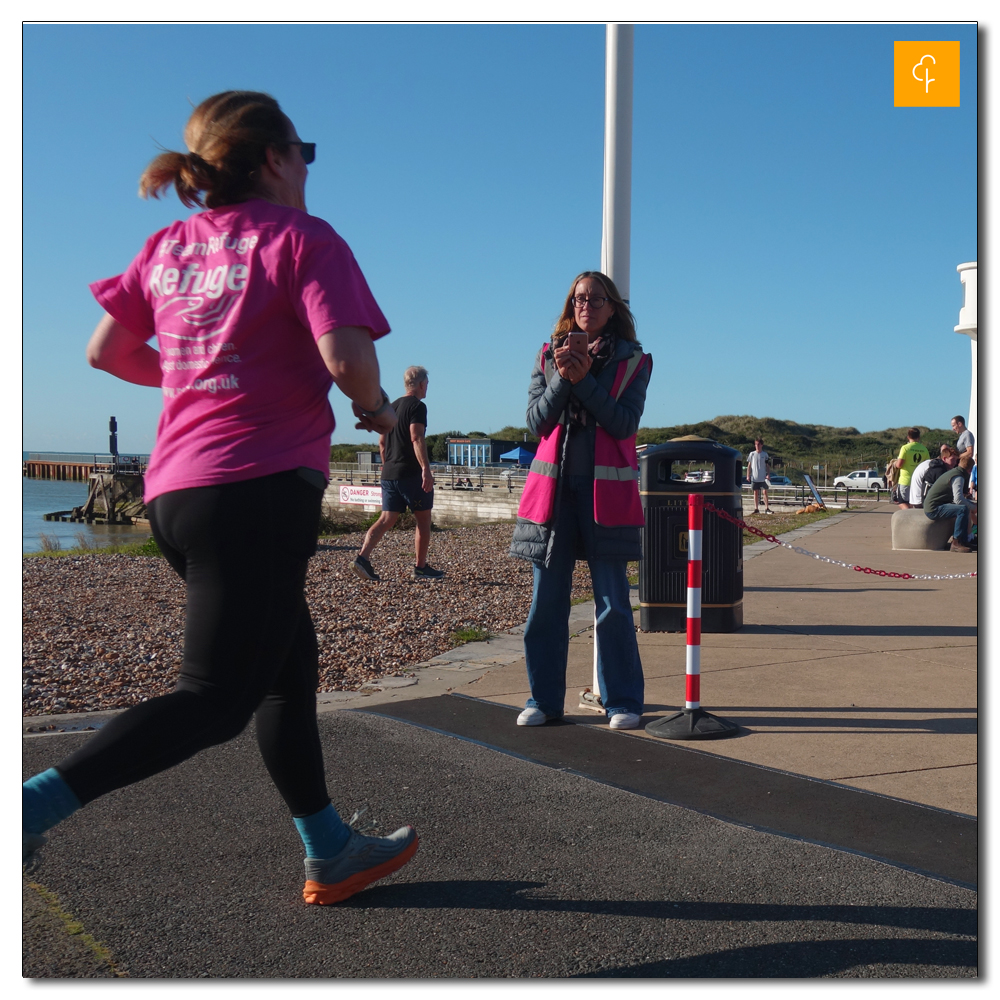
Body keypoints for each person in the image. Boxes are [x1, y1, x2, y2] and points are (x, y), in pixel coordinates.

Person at [21, 91, 419, 905]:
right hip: (257, 490)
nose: (309, 164)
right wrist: (378, 414)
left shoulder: (169, 244)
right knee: (215, 700)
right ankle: (26, 809)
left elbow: (107, 350)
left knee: (285, 671)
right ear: (275, 157)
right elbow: (348, 362)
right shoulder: (304, 238)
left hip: (177, 494)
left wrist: (202, 370)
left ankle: (330, 849)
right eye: (304, 149)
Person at [509, 270, 651, 731]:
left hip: (605, 495)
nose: (585, 305)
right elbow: (536, 421)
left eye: (595, 298)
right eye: (578, 298)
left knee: (612, 602)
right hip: (552, 497)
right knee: (546, 603)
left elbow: (623, 423)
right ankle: (543, 700)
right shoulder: (548, 355)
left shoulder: (634, 361)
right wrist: (564, 379)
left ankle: (623, 701)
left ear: (613, 308)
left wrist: (585, 379)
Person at [352, 365, 444, 582]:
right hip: (410, 473)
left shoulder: (391, 407)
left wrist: (388, 466)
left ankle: (362, 558)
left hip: (389, 474)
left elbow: (382, 442)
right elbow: (416, 437)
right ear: (421, 384)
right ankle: (420, 567)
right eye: (427, 384)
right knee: (423, 520)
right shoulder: (417, 407)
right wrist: (425, 469)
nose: (427, 388)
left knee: (386, 518)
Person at [924, 455, 977, 552]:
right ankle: (957, 542)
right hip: (933, 508)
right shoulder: (958, 477)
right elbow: (958, 500)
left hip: (935, 505)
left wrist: (972, 504)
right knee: (963, 509)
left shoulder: (954, 472)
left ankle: (964, 541)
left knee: (964, 507)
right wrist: (973, 507)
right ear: (970, 470)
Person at [893, 427, 930, 509]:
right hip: (918, 481)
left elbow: (899, 465)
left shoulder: (905, 448)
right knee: (914, 503)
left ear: (908, 437)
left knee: (902, 501)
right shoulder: (924, 449)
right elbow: (927, 465)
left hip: (905, 480)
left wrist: (894, 464)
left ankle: (908, 518)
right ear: (919, 437)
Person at [746, 439, 772, 514]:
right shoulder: (752, 454)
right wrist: (748, 475)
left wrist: (768, 474)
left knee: (765, 492)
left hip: (763, 477)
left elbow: (767, 466)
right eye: (755, 444)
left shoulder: (765, 454)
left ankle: (767, 508)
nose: (757, 446)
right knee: (755, 492)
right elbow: (749, 465)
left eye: (758, 444)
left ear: (761, 445)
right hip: (754, 477)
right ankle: (756, 508)